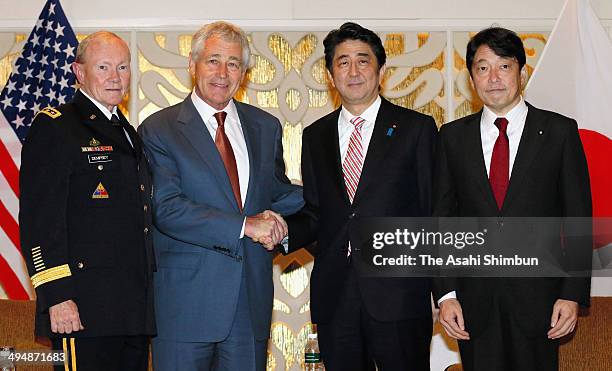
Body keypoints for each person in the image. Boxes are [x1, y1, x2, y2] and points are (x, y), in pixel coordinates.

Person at [138, 21, 303, 371]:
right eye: (213, 60)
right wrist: (246, 226)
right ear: (192, 64)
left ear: (243, 72)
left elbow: (277, 193)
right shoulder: (158, 129)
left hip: (249, 305)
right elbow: (167, 208)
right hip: (184, 308)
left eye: (233, 63)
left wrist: (340, 200)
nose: (222, 73)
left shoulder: (265, 126)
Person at [433, 27, 592, 371]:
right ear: (471, 77)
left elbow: (578, 217)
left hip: (541, 301)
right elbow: (442, 220)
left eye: (503, 66)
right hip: (475, 305)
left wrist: (571, 293)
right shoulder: (452, 138)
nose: (493, 77)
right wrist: (446, 295)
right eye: (482, 67)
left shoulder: (559, 132)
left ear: (521, 72)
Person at [286, 22, 438, 371]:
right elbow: (316, 212)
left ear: (381, 69)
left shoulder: (416, 129)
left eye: (363, 61)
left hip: (400, 297)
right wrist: (283, 232)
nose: (353, 71)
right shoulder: (315, 135)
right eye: (342, 62)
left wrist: (441, 290)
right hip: (336, 297)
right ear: (330, 74)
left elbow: (434, 214)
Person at [19, 31, 155, 371]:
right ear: (79, 73)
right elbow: (40, 220)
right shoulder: (58, 127)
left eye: (122, 67)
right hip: (82, 309)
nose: (115, 77)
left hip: (130, 309)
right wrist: (58, 295)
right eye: (104, 66)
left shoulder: (126, 130)